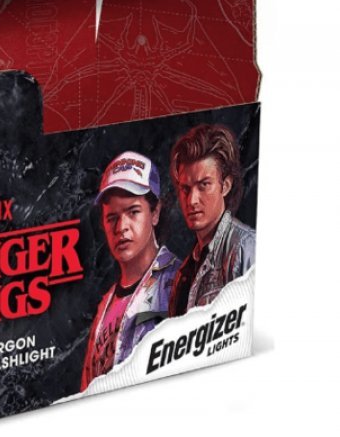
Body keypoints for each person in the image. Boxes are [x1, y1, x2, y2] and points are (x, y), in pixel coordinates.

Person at [81, 151, 178, 391]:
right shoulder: (104, 307)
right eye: (112, 218)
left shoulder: (180, 282)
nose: (121, 227)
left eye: (133, 212)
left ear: (155, 213)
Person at [168, 123, 256, 316]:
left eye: (204, 185)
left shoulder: (246, 248)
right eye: (185, 189)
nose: (192, 200)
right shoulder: (183, 275)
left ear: (225, 186)